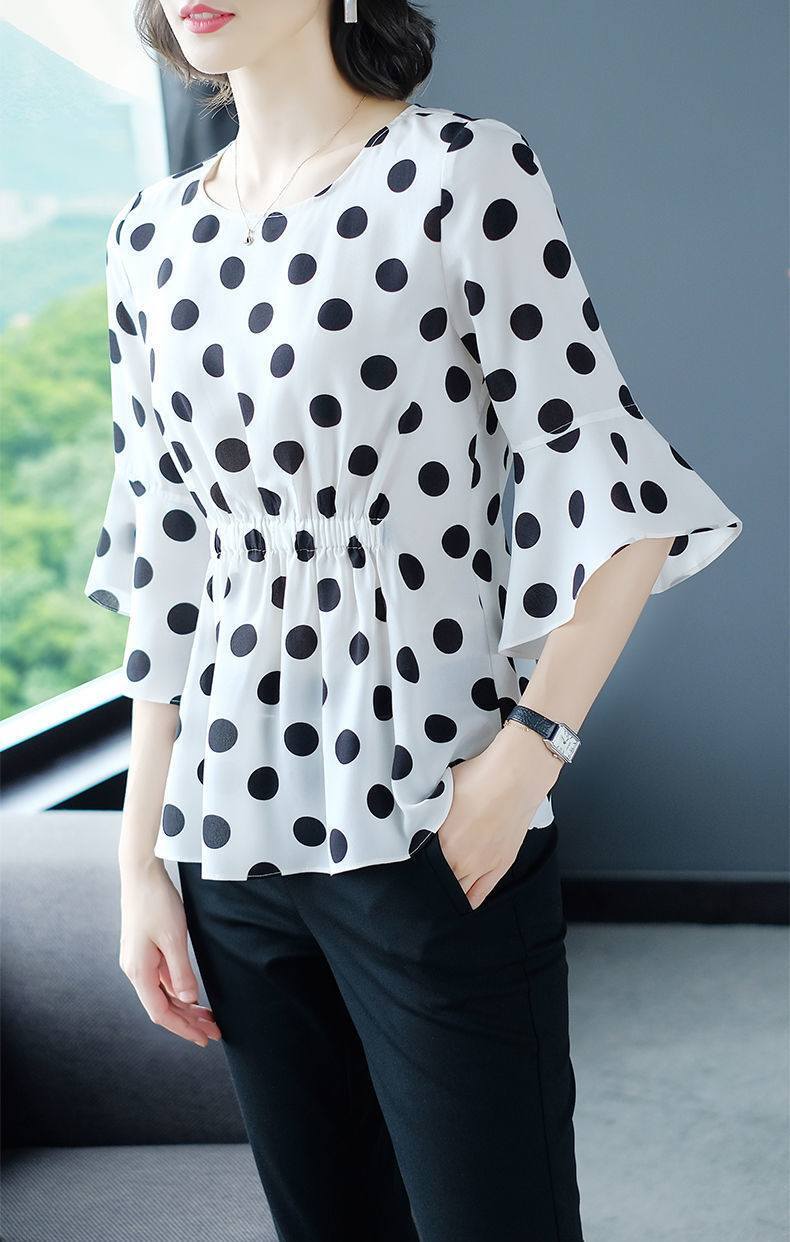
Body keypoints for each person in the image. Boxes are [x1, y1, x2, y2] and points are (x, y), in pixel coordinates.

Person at [83, 2, 743, 1238]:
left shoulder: (456, 173)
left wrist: (525, 759)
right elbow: (168, 566)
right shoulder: (148, 236)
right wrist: (138, 865)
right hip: (227, 842)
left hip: (426, 817)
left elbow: (622, 493)